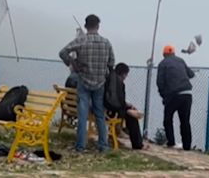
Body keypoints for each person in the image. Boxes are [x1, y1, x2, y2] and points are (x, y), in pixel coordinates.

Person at [59, 14, 115, 152]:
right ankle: (103, 145)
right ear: (98, 26)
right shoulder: (106, 42)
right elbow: (112, 62)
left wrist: (72, 63)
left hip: (83, 81)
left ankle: (80, 146)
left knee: (82, 115)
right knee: (99, 115)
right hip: (100, 82)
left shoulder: (81, 40)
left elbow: (62, 52)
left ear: (85, 26)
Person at [156, 45, 195, 150]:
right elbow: (191, 74)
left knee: (168, 119)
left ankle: (171, 142)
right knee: (185, 121)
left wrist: (164, 96)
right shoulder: (181, 61)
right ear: (173, 53)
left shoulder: (162, 64)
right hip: (187, 94)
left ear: (164, 54)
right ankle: (187, 146)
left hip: (173, 95)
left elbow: (160, 83)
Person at [109, 63, 147, 150]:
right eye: (126, 74)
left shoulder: (110, 79)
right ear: (123, 74)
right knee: (132, 117)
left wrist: (126, 106)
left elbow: (114, 99)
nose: (126, 77)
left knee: (131, 111)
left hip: (105, 108)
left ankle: (125, 130)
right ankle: (137, 144)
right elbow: (117, 101)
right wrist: (127, 108)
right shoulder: (119, 83)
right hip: (112, 112)